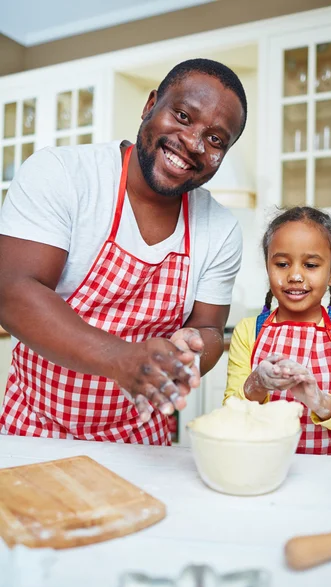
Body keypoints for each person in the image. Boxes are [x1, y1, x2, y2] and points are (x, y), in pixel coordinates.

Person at [0, 58, 247, 445]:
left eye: (216, 139)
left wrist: (188, 356)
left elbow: (209, 328)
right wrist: (123, 359)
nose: (194, 144)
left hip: (143, 442)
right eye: (182, 116)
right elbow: (13, 292)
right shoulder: (63, 174)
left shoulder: (220, 228)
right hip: (36, 429)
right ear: (151, 105)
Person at [224, 206, 331, 455]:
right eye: (282, 263)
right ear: (268, 266)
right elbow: (230, 412)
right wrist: (257, 384)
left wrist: (319, 401)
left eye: (311, 265)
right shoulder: (250, 330)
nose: (294, 275)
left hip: (326, 476)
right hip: (261, 466)